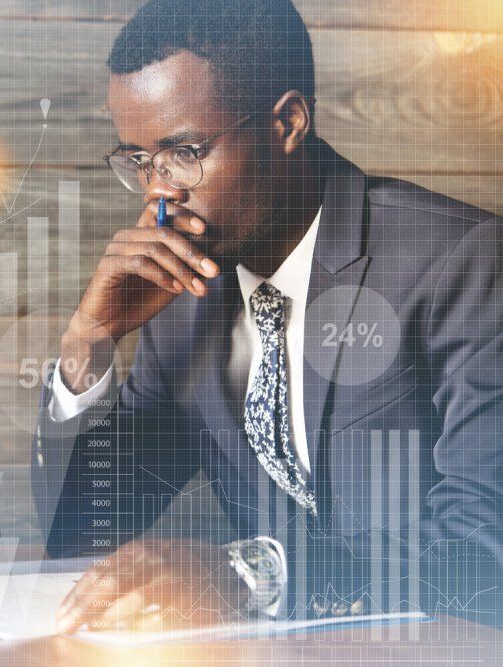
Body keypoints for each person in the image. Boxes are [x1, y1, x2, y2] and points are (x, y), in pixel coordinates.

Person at [32, 0, 503, 633]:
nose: (159, 192)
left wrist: (248, 575)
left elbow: (484, 550)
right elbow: (80, 533)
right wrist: (86, 347)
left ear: (287, 123)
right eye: (140, 160)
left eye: (185, 152)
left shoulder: (464, 261)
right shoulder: (182, 297)